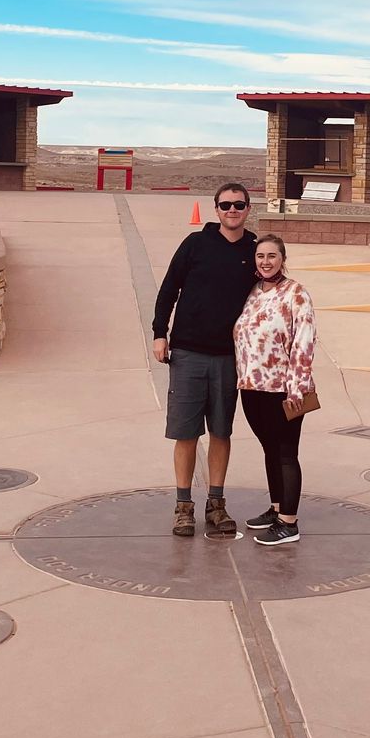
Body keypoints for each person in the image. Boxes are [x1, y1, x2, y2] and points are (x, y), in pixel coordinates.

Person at [152, 181, 257, 538]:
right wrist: (159, 332)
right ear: (216, 210)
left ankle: (216, 504)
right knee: (185, 433)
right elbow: (169, 289)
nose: (232, 211)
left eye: (239, 205)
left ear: (248, 209)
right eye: (226, 205)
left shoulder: (254, 249)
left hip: (230, 358)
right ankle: (183, 507)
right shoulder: (195, 244)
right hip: (189, 353)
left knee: (222, 432)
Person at [234, 233, 317, 547]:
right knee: (269, 449)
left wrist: (296, 386)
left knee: (285, 452)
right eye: (260, 256)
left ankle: (289, 522)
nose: (265, 262)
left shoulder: (295, 293)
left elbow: (304, 342)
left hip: (286, 388)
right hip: (252, 386)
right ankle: (277, 507)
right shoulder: (253, 293)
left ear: (283, 258)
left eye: (272, 256)